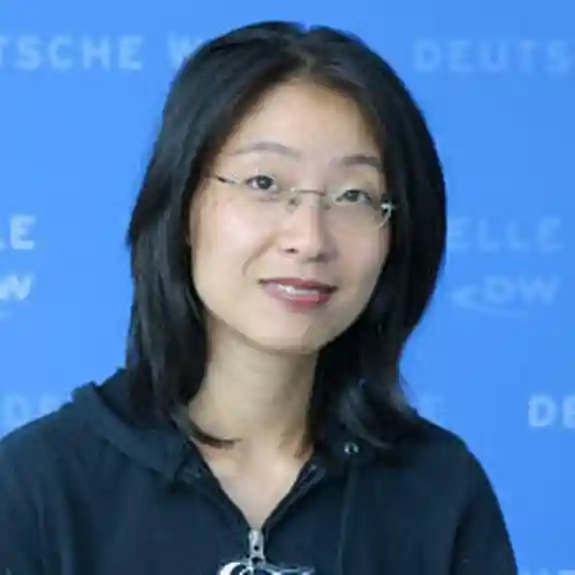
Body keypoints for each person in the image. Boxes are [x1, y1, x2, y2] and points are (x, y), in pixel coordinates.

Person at [0, 20, 517, 575]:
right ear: (182, 205)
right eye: (265, 184)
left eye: (354, 196)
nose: (310, 239)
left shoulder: (440, 490)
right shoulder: (37, 487)